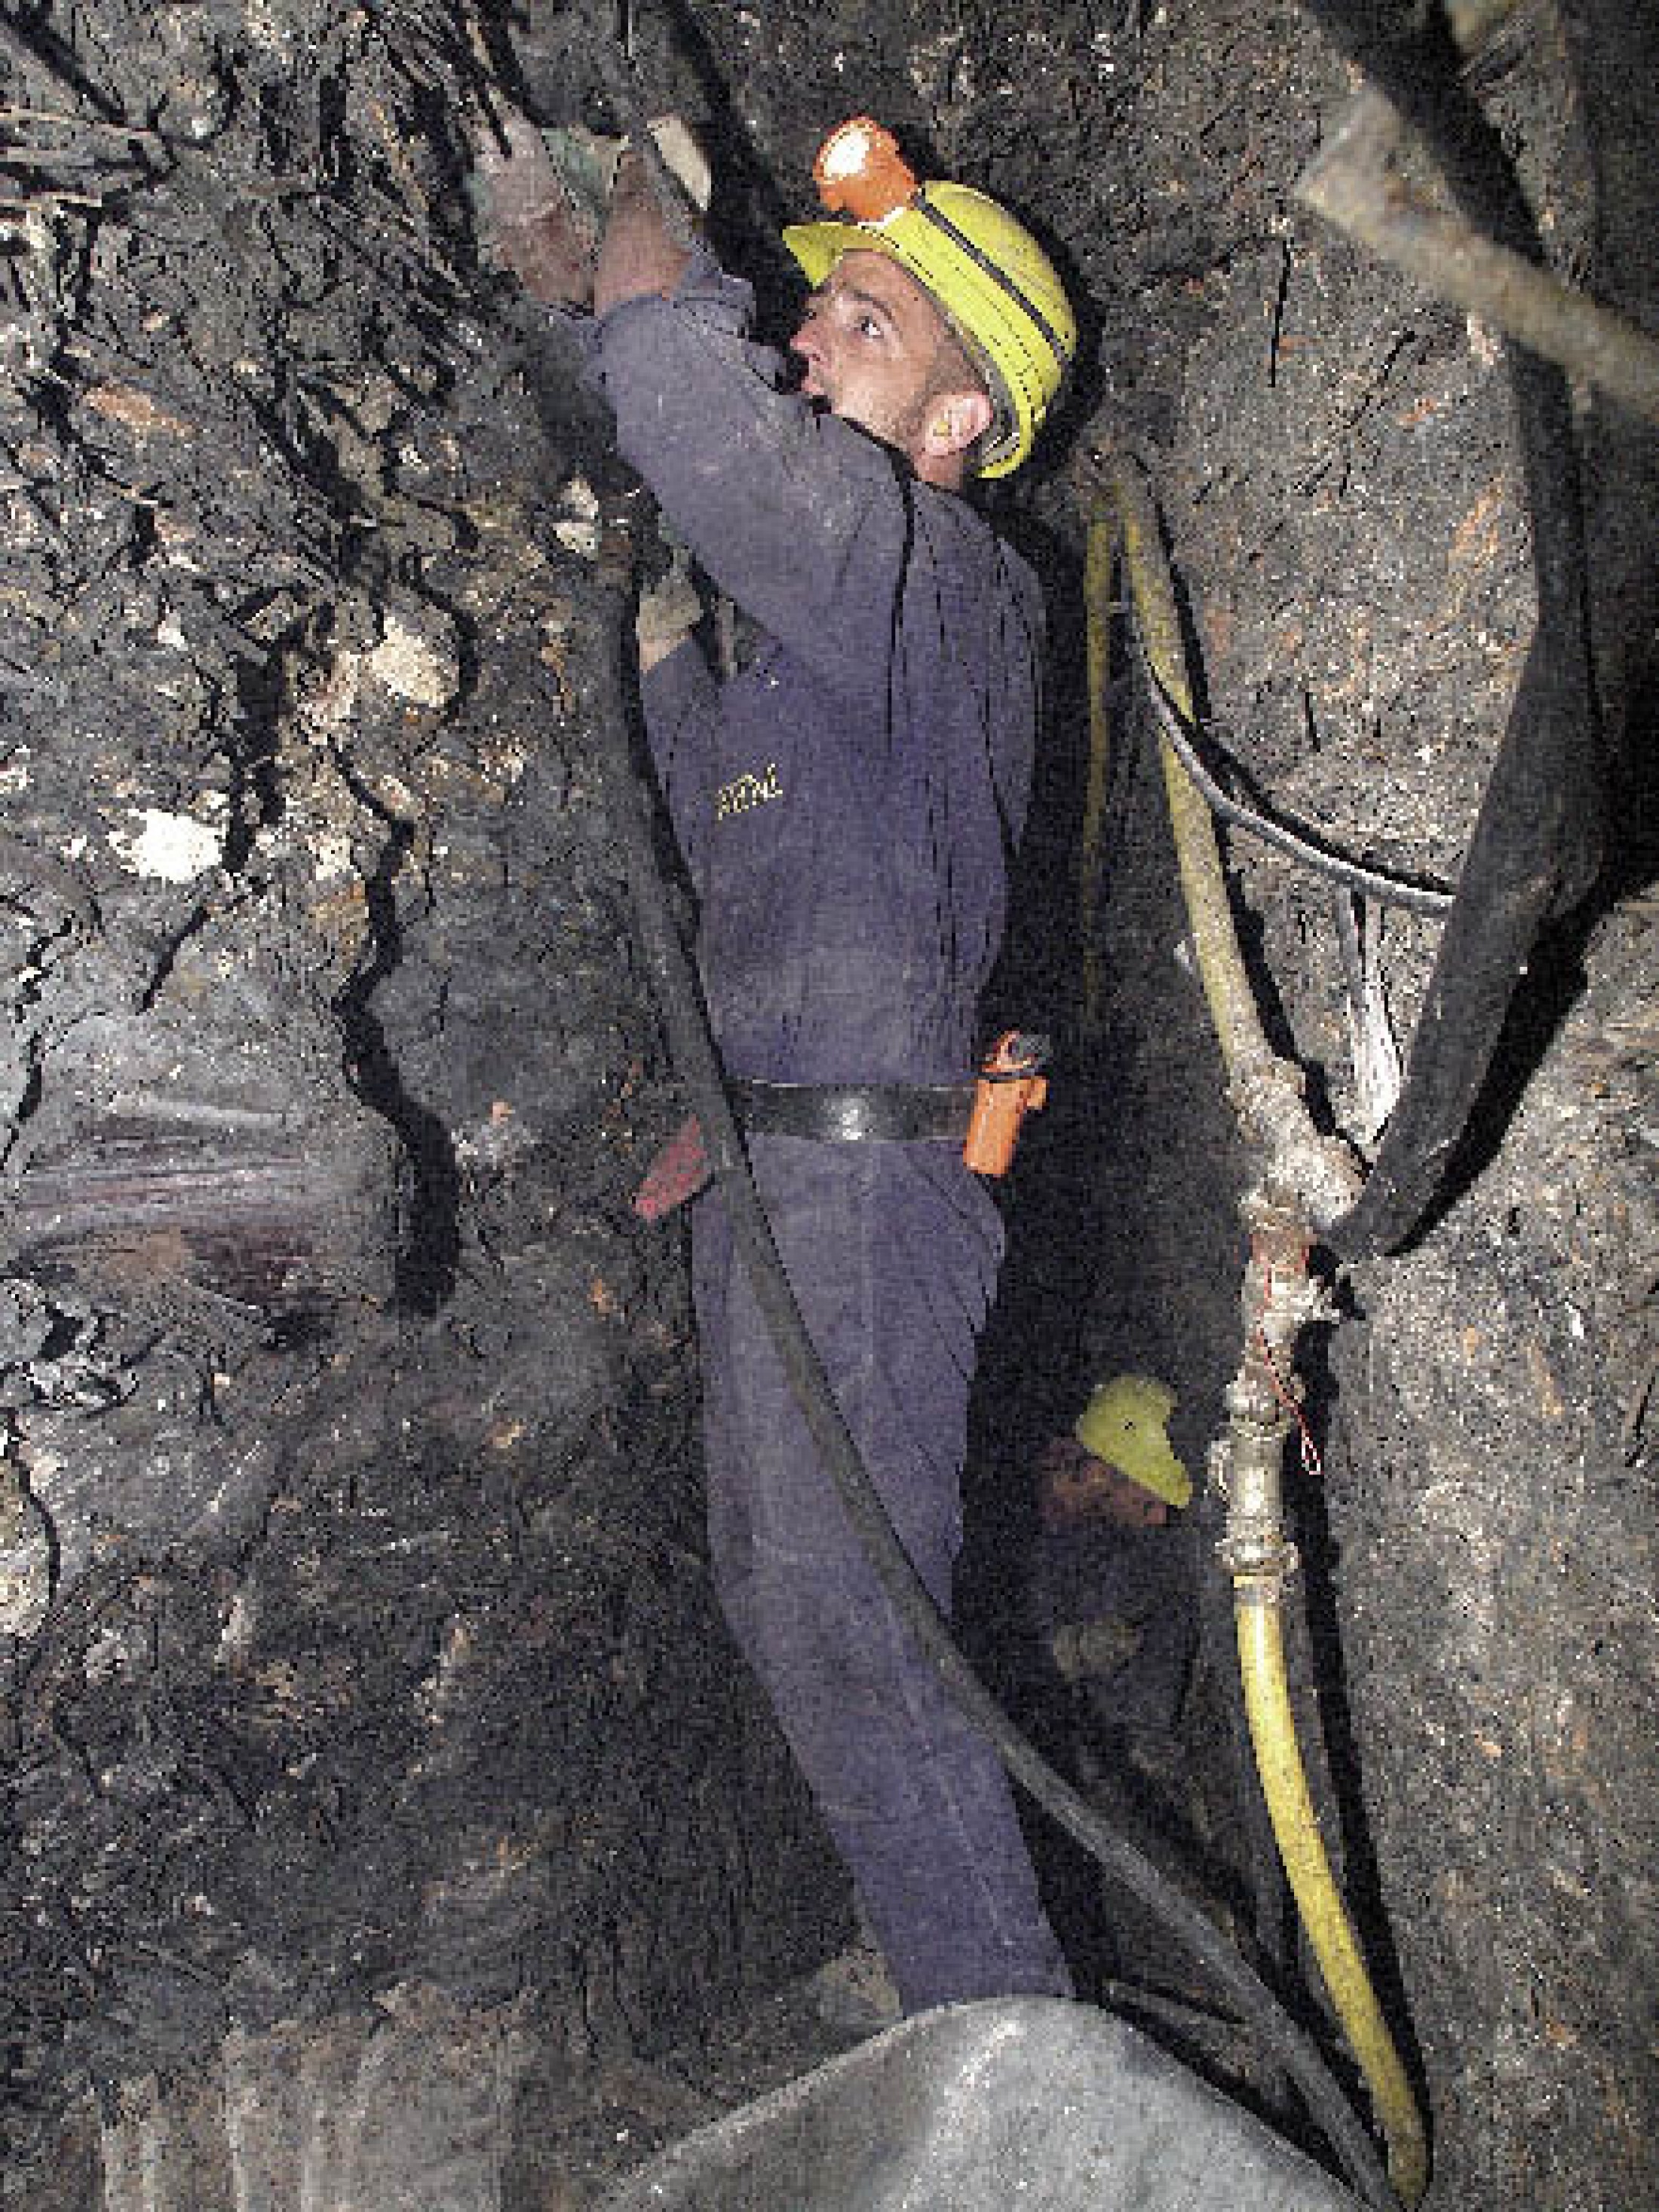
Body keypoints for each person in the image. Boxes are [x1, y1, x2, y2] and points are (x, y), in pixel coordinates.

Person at [481, 111, 1078, 2014]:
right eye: (814, 321)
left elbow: (706, 415)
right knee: (792, 1613)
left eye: (865, 327)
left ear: (953, 425)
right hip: (774, 1185)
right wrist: (652, 635)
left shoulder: (936, 583)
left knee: (852, 1627)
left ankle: (1015, 2066)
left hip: (868, 1188)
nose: (814, 345)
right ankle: (956, 2004)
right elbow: (711, 816)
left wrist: (642, 226)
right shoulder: (801, 655)